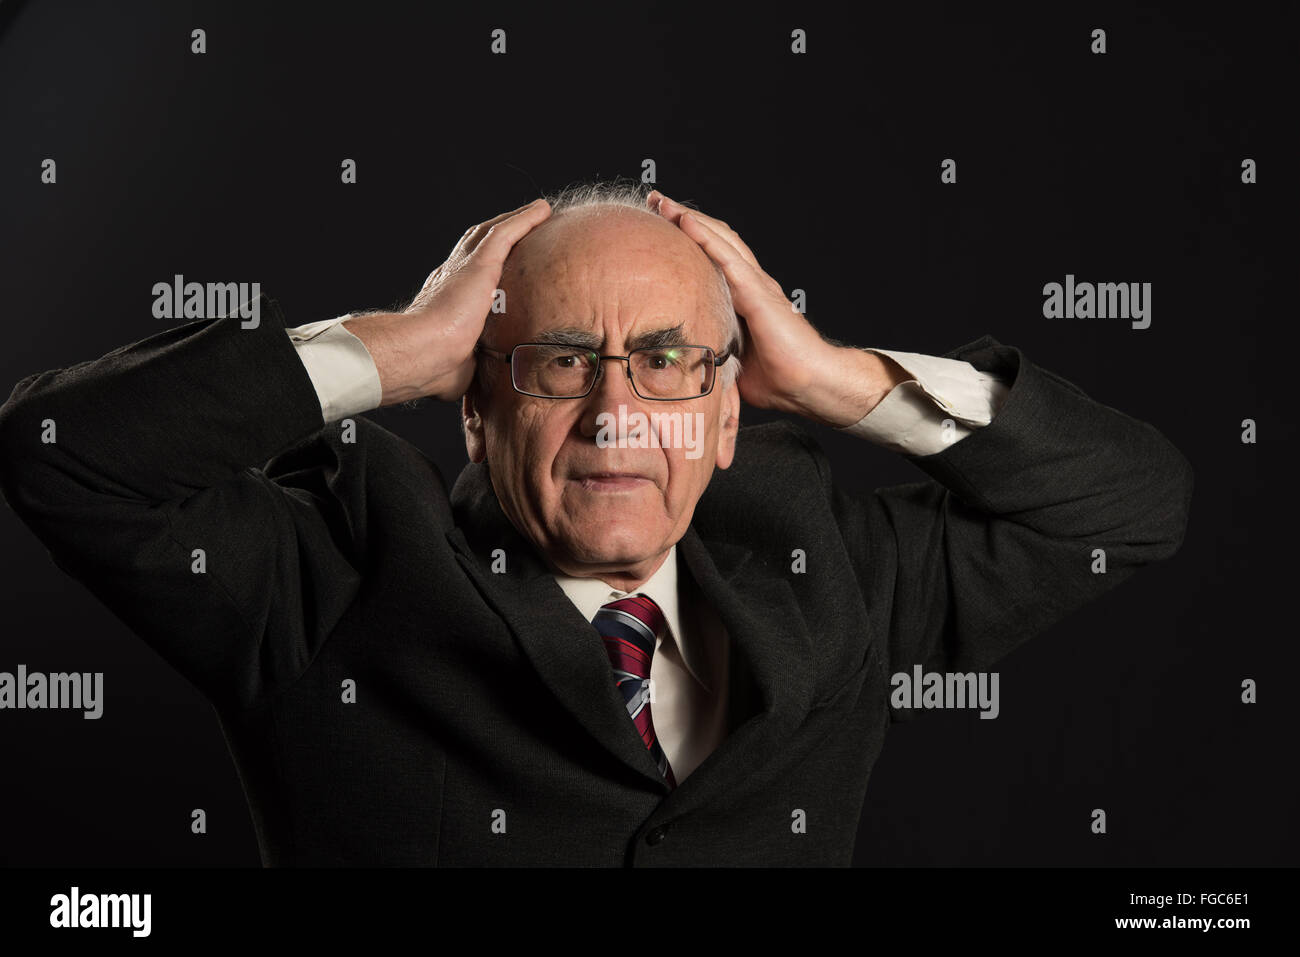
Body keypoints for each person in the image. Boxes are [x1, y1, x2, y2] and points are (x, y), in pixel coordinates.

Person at [0, 182, 1192, 866]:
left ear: (729, 414)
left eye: (670, 365)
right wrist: (398, 349)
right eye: (563, 364)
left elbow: (1132, 506)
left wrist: (836, 379)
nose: (617, 413)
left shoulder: (817, 556)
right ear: (476, 408)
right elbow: (64, 456)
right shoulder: (335, 572)